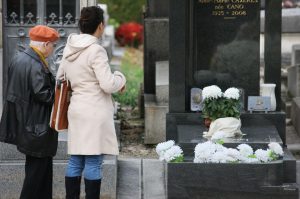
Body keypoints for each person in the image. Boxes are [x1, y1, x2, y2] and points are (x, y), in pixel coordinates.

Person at [56, 6, 126, 199]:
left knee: (75, 160)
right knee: (94, 161)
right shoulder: (96, 50)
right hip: (95, 110)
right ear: (101, 26)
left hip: (77, 108)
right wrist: (121, 78)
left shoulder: (70, 47)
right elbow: (107, 84)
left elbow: (60, 75)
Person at [0, 25, 59, 199]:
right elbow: (44, 95)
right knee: (35, 176)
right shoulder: (36, 64)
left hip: (27, 125)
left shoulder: (19, 58)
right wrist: (61, 92)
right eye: (53, 45)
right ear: (45, 44)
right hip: (37, 127)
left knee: (42, 172)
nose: (53, 49)